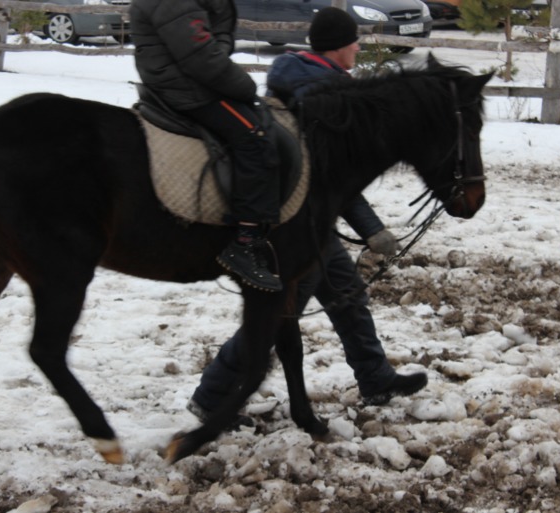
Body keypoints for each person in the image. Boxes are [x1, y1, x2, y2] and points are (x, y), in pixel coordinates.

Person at [187, 7, 427, 422]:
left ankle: (374, 376)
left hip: (315, 221)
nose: (357, 46)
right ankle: (212, 396)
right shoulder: (325, 98)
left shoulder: (307, 81)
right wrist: (371, 229)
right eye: (352, 40)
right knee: (275, 317)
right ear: (336, 47)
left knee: (348, 295)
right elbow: (330, 178)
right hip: (298, 228)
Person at [129, 0, 283, 293]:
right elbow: (202, 57)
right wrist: (246, 87)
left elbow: (210, 41)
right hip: (186, 86)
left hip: (178, 76)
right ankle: (246, 241)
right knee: (256, 135)